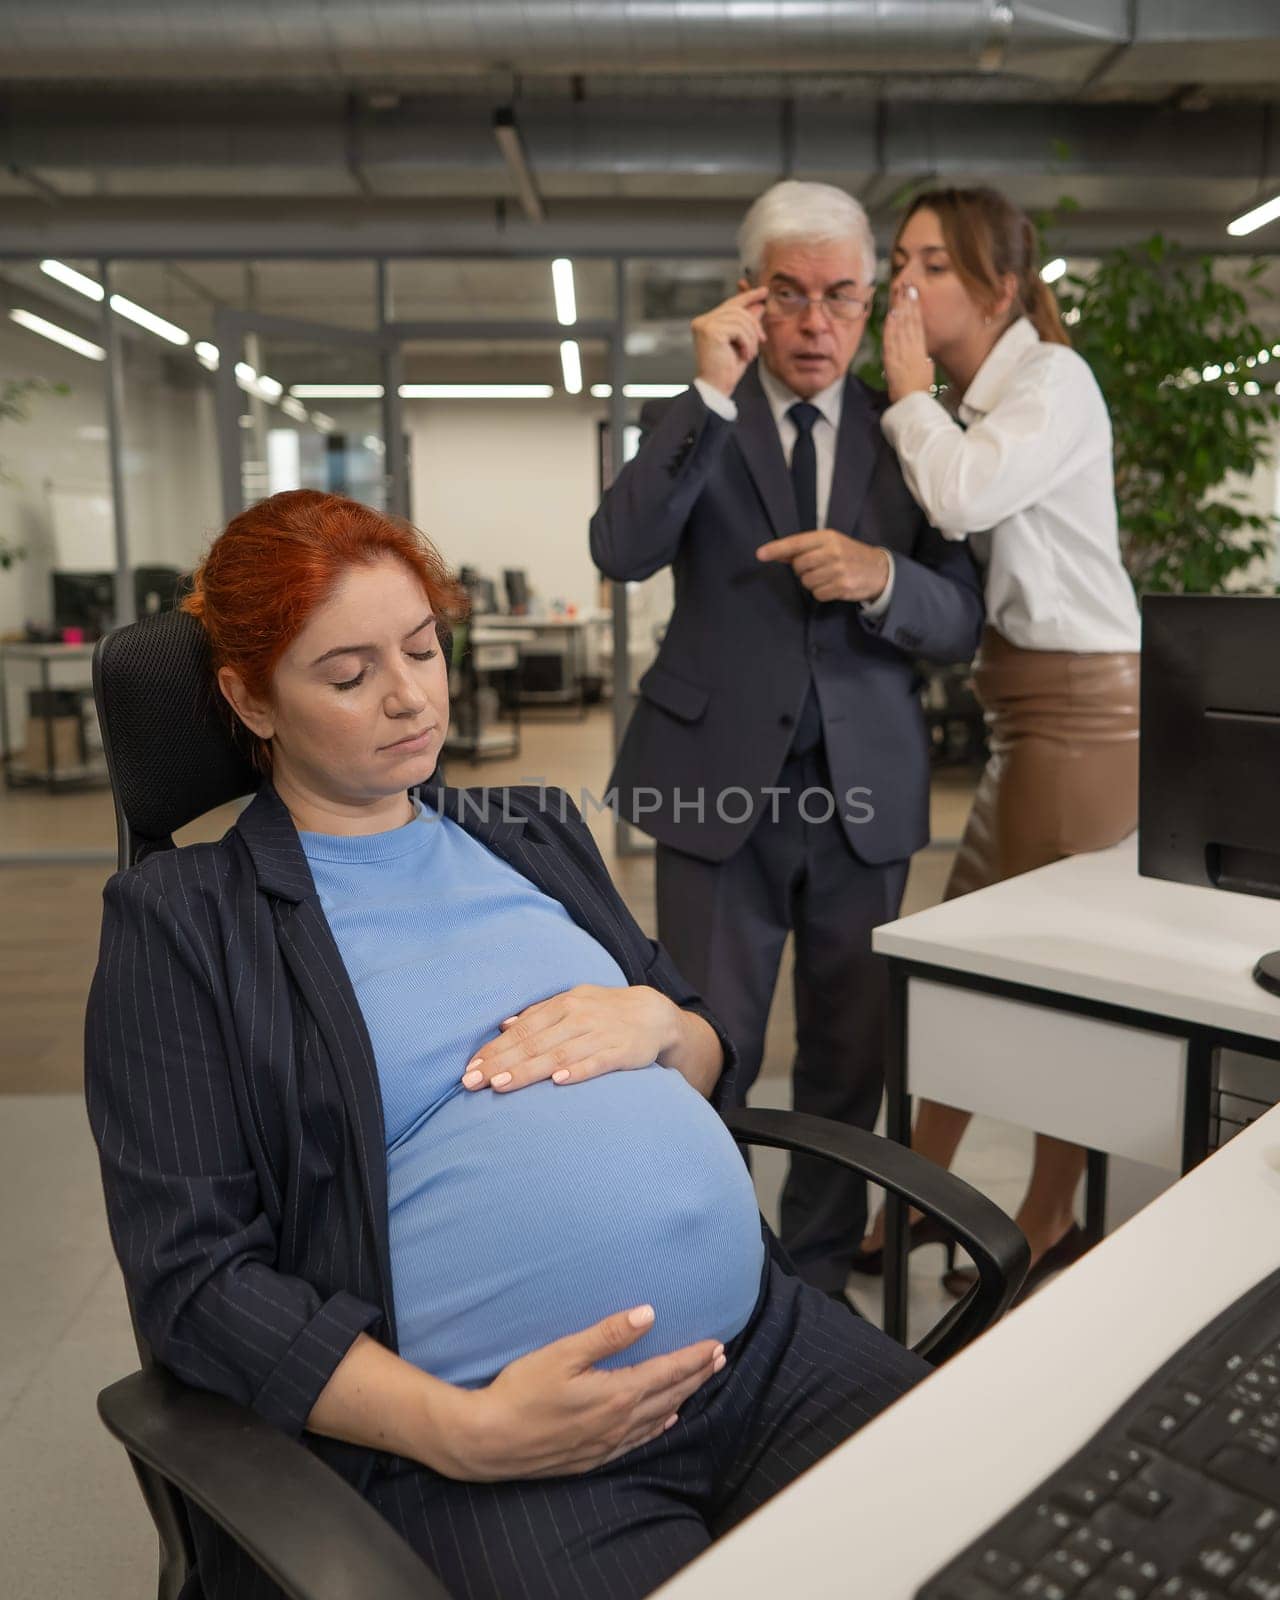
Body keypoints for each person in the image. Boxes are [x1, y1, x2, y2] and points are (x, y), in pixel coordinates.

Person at [84, 489, 926, 1600]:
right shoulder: (186, 921)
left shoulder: (531, 833)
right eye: (347, 675)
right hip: (505, 1454)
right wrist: (461, 1430)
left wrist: (663, 1024)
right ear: (250, 699)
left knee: (1004, 1531)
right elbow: (196, 1281)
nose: (407, 697)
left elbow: (713, 1061)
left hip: (758, 1347)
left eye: (424, 649)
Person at [589, 181, 985, 1300]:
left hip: (862, 791)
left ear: (872, 302)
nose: (814, 324)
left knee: (846, 1057)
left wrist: (882, 577)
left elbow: (959, 615)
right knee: (710, 1043)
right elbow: (618, 548)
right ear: (751, 299)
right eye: (789, 296)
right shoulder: (701, 418)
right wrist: (705, 393)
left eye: (839, 297)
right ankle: (714, 1256)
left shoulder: (906, 429)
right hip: (715, 791)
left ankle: (810, 1275)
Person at [859, 185, 1142, 1300]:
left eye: (926, 263)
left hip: (1081, 714)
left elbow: (960, 499)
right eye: (899, 260)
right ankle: (922, 1198)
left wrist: (905, 394)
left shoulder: (1051, 383)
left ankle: (1038, 1216)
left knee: (1041, 981)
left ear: (998, 288)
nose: (902, 284)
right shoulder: (993, 393)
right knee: (965, 964)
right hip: (1027, 713)